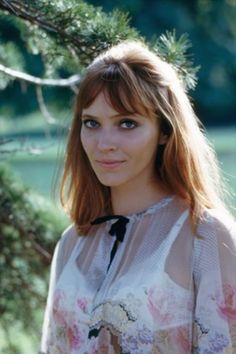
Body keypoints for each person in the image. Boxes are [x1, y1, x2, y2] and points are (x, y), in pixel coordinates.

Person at [40, 40, 236, 354]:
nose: (104, 143)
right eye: (92, 123)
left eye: (127, 123)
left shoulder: (206, 237)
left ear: (164, 131)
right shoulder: (73, 244)